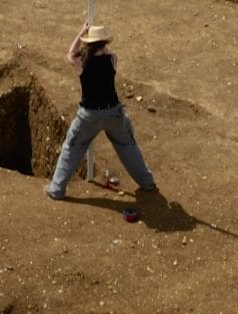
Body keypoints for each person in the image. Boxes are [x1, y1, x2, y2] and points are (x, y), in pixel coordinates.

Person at [45, 26, 157, 200]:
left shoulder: (81, 62)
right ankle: (147, 182)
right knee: (128, 146)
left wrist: (81, 33)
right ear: (104, 43)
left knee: (72, 148)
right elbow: (108, 52)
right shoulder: (112, 58)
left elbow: (70, 54)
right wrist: (101, 43)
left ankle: (56, 189)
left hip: (89, 116)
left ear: (88, 43)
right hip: (113, 113)